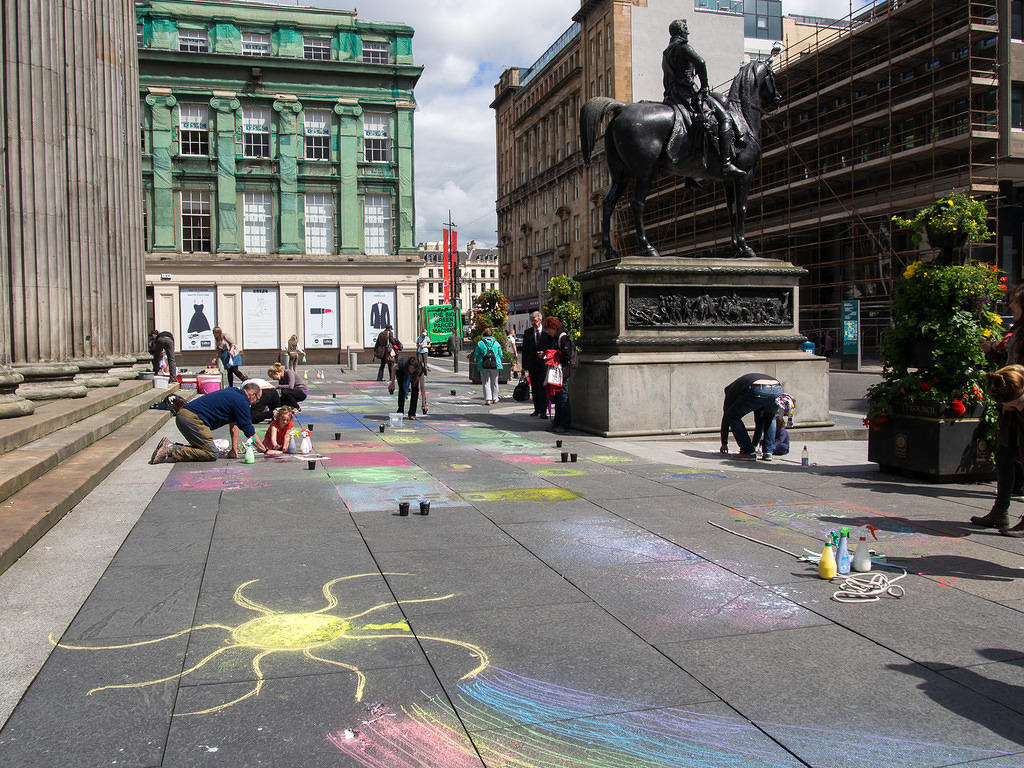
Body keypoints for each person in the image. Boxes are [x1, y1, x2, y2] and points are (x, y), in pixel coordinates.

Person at [662, 18, 744, 177]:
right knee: (724, 118)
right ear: (680, 31)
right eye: (685, 29)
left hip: (672, 95)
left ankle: (691, 174)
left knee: (696, 124)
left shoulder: (666, 53)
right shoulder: (683, 47)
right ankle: (726, 163)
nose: (687, 32)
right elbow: (701, 62)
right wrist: (705, 86)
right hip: (687, 93)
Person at [973, 286, 1024, 530]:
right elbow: (1009, 363)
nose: (1010, 306)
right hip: (1013, 403)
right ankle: (1000, 510)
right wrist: (994, 353)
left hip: (1019, 402)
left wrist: (1015, 399)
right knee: (1004, 456)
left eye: (1014, 302)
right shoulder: (1017, 330)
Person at [149, 381, 267, 463]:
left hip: (185, 415)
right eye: (257, 399)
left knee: (204, 448)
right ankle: (170, 449)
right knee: (211, 453)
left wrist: (234, 449)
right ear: (252, 394)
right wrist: (265, 450)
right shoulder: (242, 401)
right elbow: (249, 431)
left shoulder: (234, 392)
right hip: (193, 419)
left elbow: (234, 425)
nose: (256, 402)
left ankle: (171, 447)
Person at [980, 364, 1024, 536]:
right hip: (1013, 420)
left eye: (1008, 403)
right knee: (1003, 457)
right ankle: (999, 512)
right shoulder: (1015, 397)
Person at [722, 373, 783, 460]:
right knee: (770, 417)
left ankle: (747, 451)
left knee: (732, 416)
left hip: (757, 388)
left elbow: (726, 416)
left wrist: (724, 443)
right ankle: (768, 452)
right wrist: (754, 444)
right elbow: (759, 422)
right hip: (778, 389)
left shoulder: (730, 392)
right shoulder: (742, 385)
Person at [542, 316, 573, 433]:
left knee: (563, 397)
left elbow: (566, 355)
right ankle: (557, 422)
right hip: (557, 372)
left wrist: (553, 354)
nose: (548, 332)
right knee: (558, 398)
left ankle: (564, 424)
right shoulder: (554, 338)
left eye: (548, 329)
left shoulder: (562, 337)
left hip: (562, 372)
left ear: (553, 327)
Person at [522, 311, 549, 417]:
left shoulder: (546, 333)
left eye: (535, 321)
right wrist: (524, 366)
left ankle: (543, 410)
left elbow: (550, 348)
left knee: (543, 387)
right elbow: (525, 350)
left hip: (544, 364)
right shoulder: (528, 332)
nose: (533, 323)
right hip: (532, 364)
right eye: (531, 321)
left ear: (540, 320)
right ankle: (537, 409)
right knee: (534, 387)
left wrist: (546, 355)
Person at [389, 354, 427, 420]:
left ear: (416, 368)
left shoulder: (420, 369)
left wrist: (423, 403)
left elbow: (422, 387)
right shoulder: (402, 365)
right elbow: (394, 368)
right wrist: (392, 382)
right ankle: (400, 411)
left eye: (413, 369)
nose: (411, 370)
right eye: (410, 368)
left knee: (415, 390)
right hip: (402, 372)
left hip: (415, 374)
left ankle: (412, 413)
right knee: (402, 389)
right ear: (408, 366)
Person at [474, 327, 503, 405]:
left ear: (484, 334)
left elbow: (476, 354)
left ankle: (488, 399)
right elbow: (501, 354)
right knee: (495, 382)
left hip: (483, 365)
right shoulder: (496, 343)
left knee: (486, 382)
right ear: (491, 334)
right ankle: (495, 397)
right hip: (495, 364)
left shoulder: (480, 343)